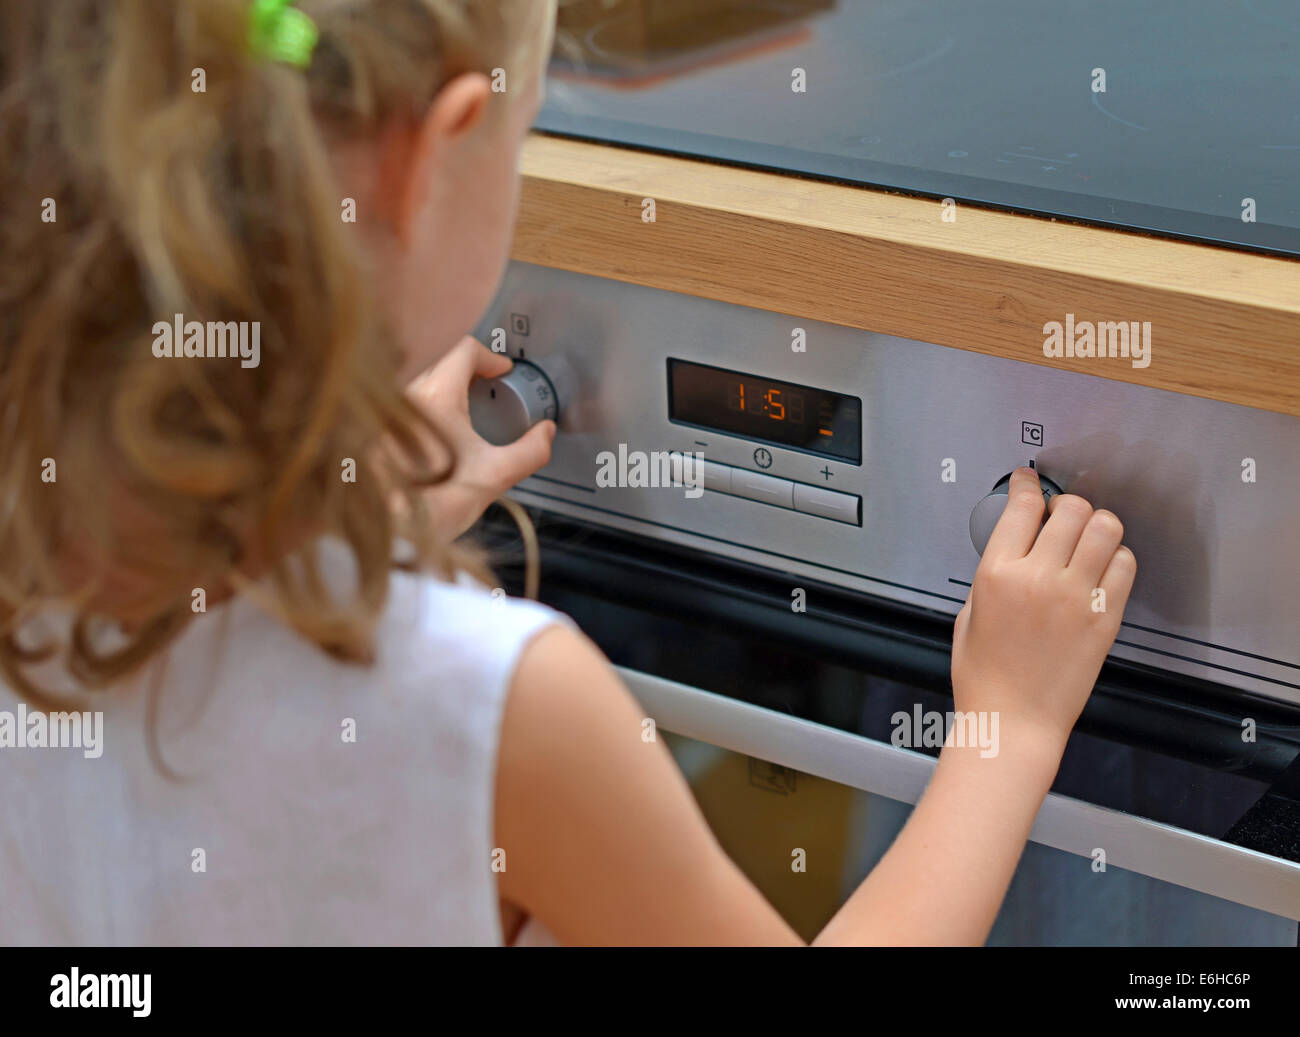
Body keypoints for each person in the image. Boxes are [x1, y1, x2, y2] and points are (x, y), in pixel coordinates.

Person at [0, 0, 1135, 945]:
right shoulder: (498, 704)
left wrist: (352, 528)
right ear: (427, 159)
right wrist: (1008, 729)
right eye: (527, 127)